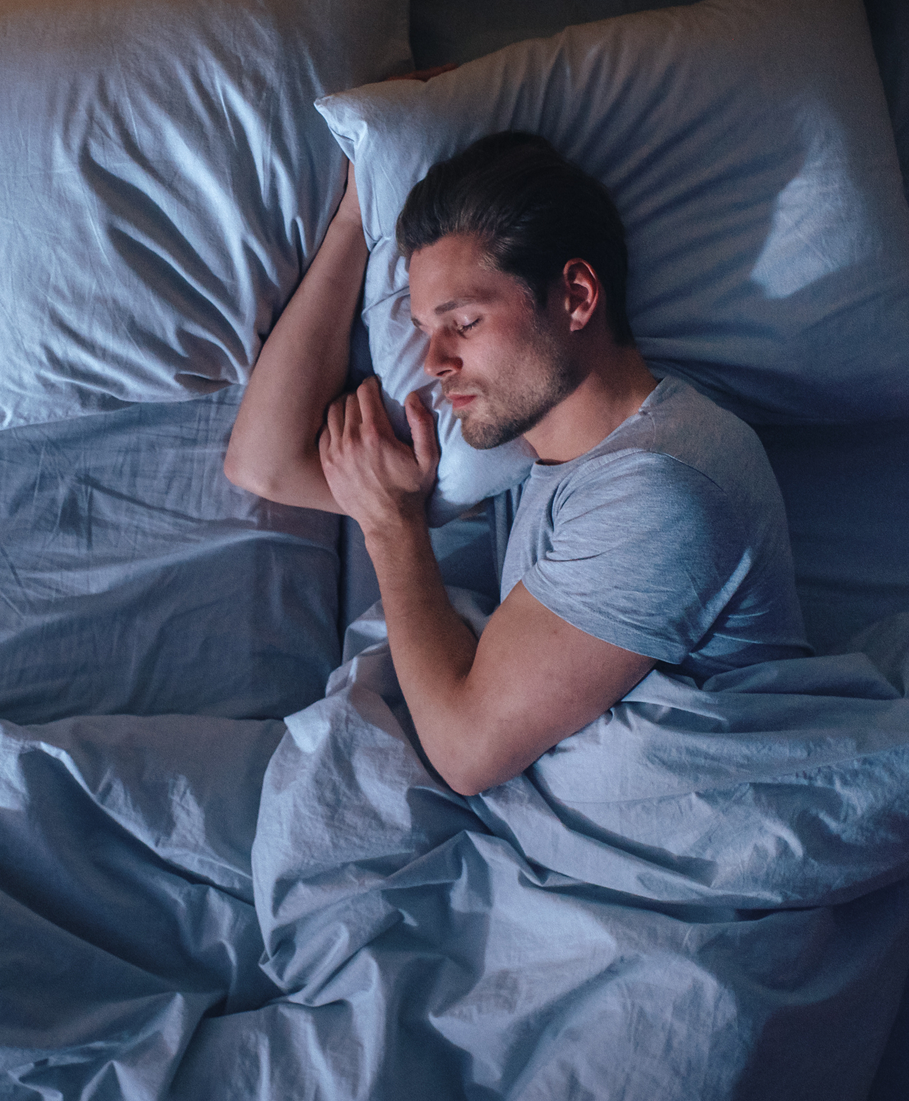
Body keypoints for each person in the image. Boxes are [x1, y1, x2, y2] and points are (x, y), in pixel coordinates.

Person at [225, 132, 810, 797]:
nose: (433, 362)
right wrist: (358, 216)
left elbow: (465, 753)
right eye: (423, 329)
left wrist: (392, 526)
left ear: (577, 296)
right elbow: (262, 462)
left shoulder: (661, 488)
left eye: (464, 322)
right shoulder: (534, 448)